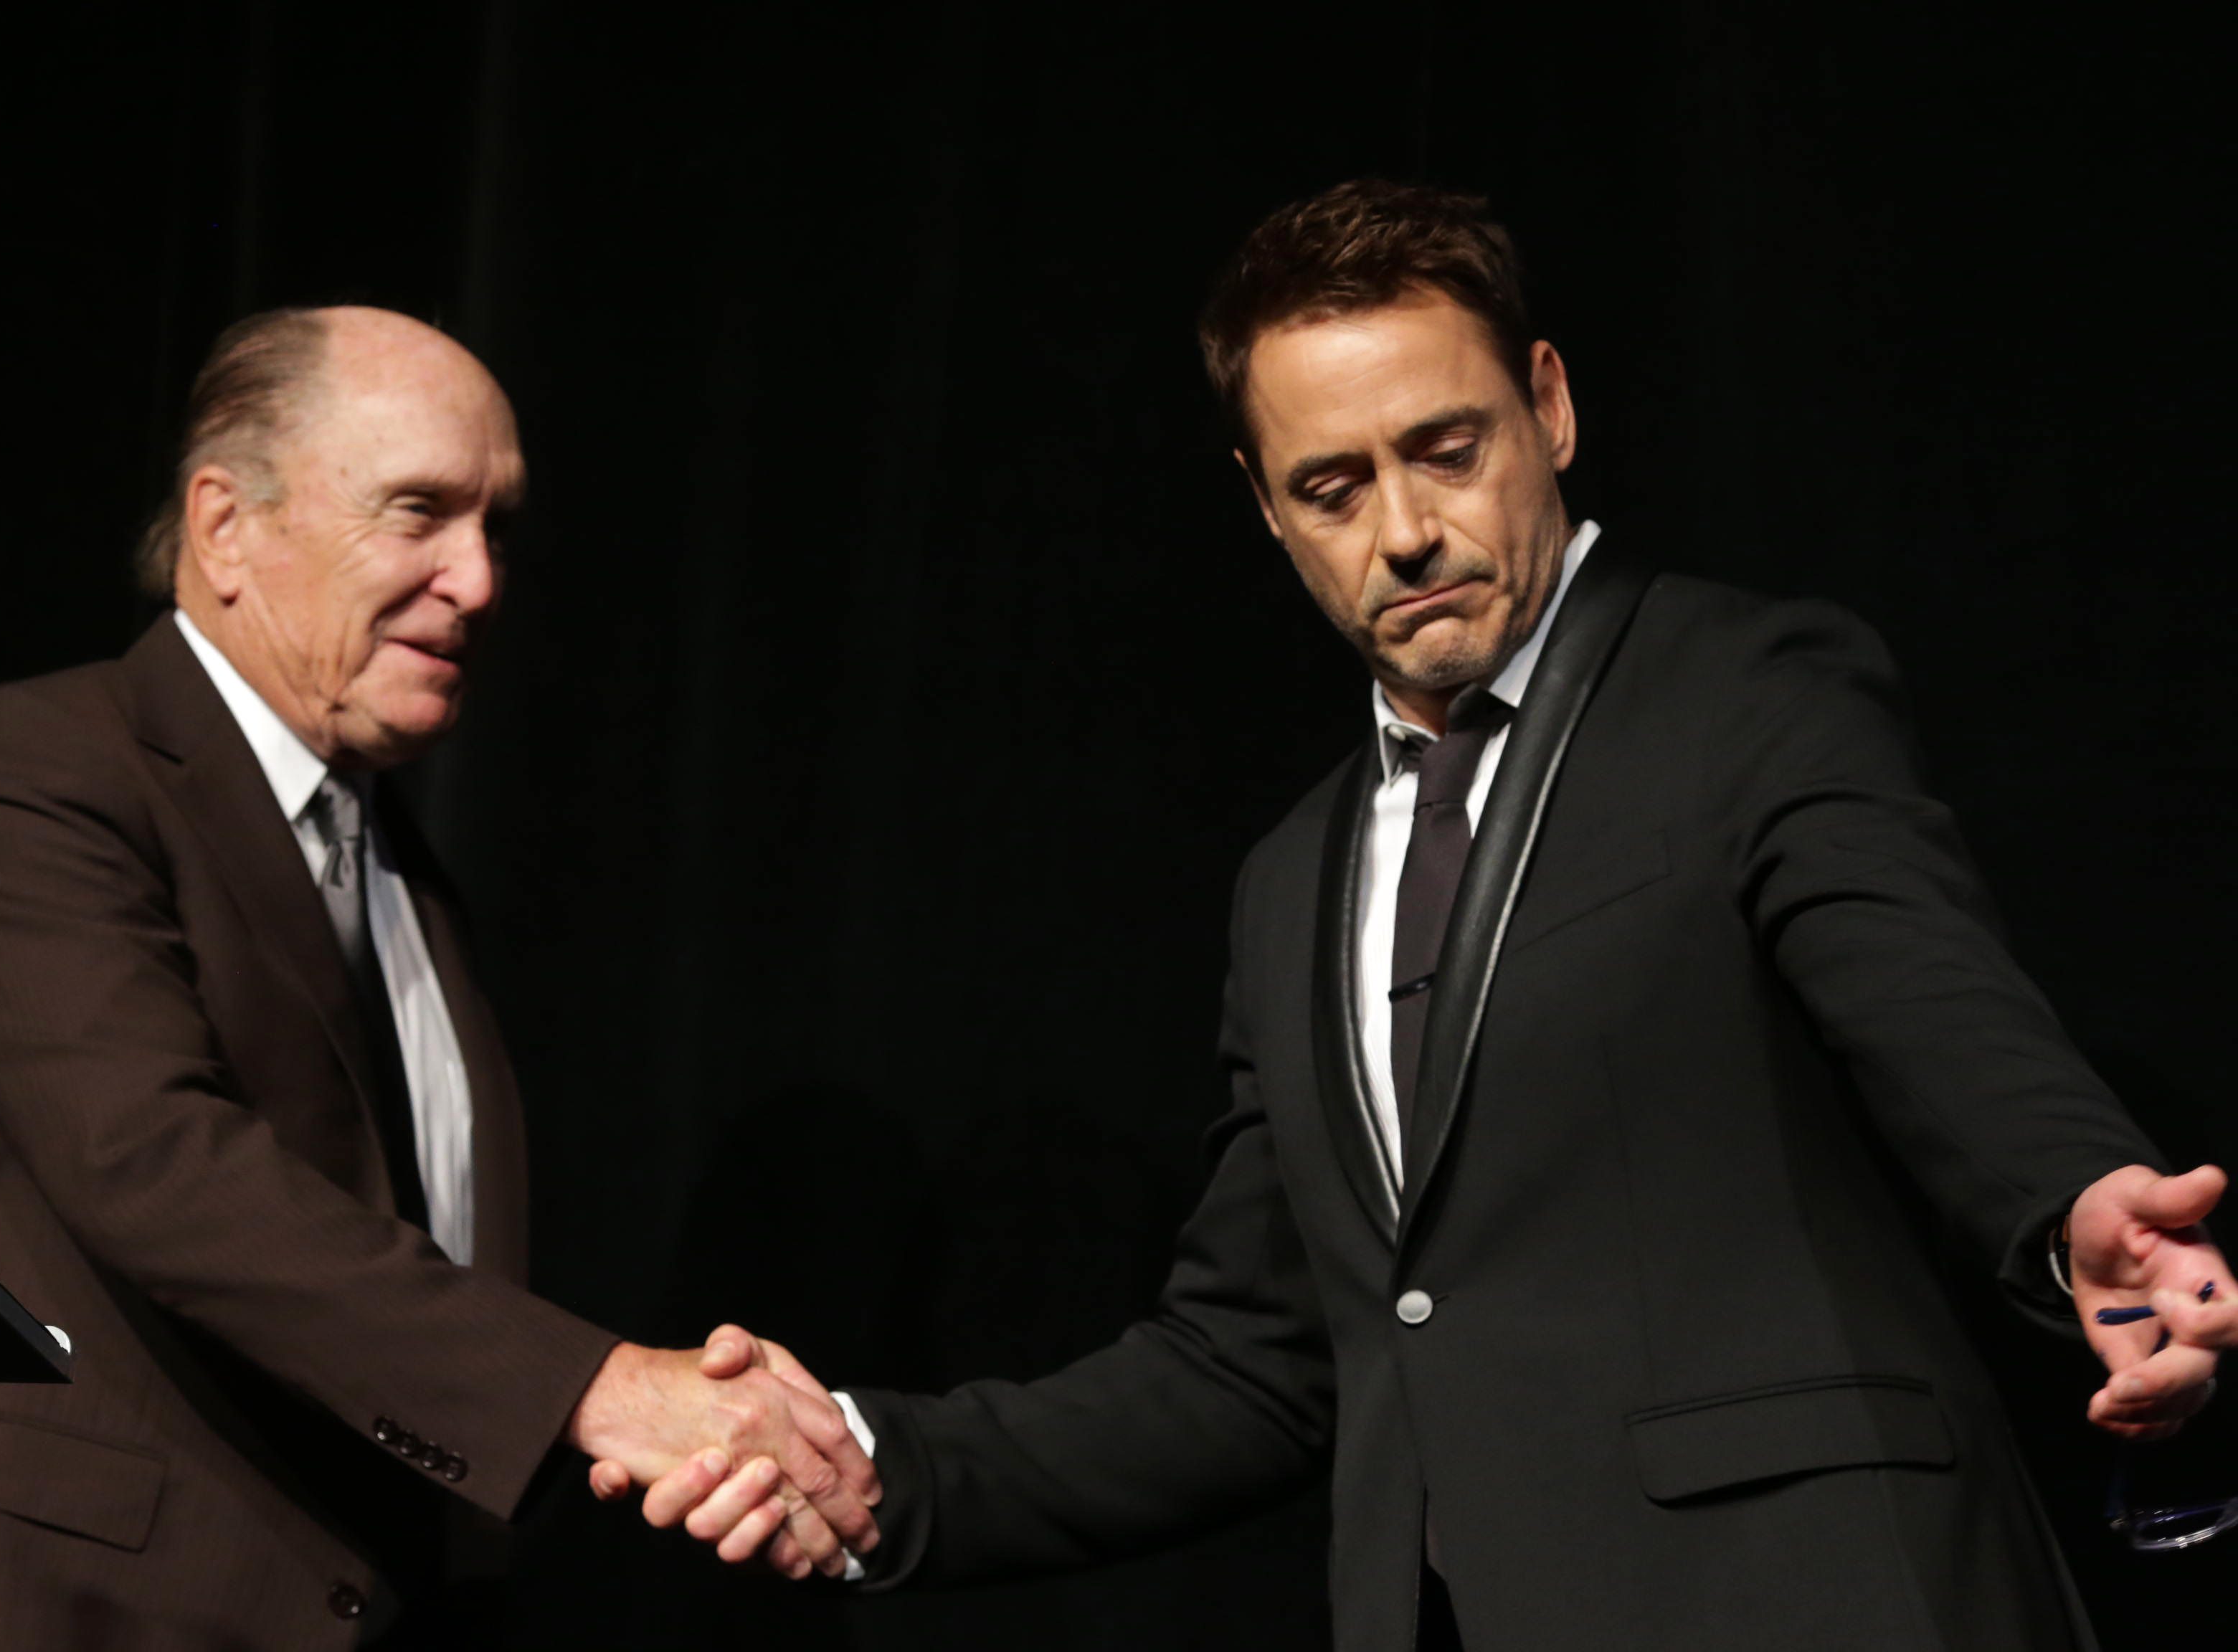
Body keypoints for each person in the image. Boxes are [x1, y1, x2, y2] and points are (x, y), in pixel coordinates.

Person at [604, 182, 2237, 1649]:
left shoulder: (1749, 695)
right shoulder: (1292, 881)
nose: (1404, 532)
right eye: (1333, 484)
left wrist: (2069, 1200)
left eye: (1445, 450)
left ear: (1550, 403)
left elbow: (1930, 1002)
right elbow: (1254, 1357)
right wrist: (876, 1467)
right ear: (1263, 507)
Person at [0, 305, 878, 1651]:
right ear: (224, 526)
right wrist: (601, 1388)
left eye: (496, 525)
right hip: (76, 1611)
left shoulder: (398, 864)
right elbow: (159, 1168)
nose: (481, 580)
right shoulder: (40, 766)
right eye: (419, 513)